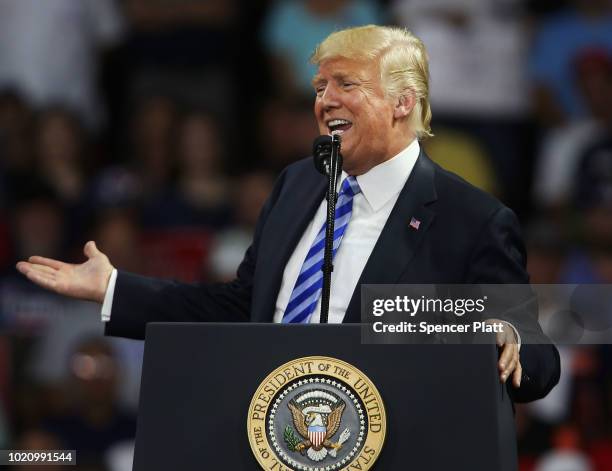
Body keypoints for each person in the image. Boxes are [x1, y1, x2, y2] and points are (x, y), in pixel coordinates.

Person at [17, 25, 559, 402]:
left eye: (347, 85)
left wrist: (505, 336)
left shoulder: (471, 217)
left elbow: (537, 358)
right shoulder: (299, 183)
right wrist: (114, 288)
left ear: (402, 102)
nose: (326, 101)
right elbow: (241, 305)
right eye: (321, 87)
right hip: (267, 431)